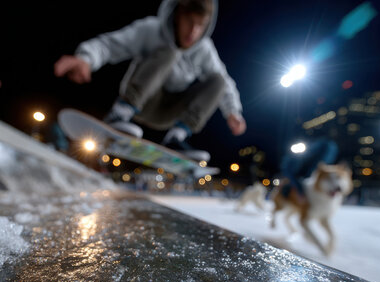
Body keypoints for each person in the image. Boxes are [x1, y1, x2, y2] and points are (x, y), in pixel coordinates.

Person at [54, 0, 246, 161]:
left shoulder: (204, 50)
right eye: (189, 22)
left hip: (170, 113)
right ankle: (120, 114)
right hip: (144, 100)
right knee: (169, 53)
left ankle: (177, 137)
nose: (193, 33)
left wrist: (233, 112)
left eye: (200, 26)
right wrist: (86, 59)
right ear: (178, 14)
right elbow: (111, 44)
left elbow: (226, 83)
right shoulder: (151, 29)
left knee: (218, 80)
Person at [279, 139, 339, 204]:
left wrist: (300, 192)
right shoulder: (291, 173)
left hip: (309, 167)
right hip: (309, 172)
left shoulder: (290, 167)